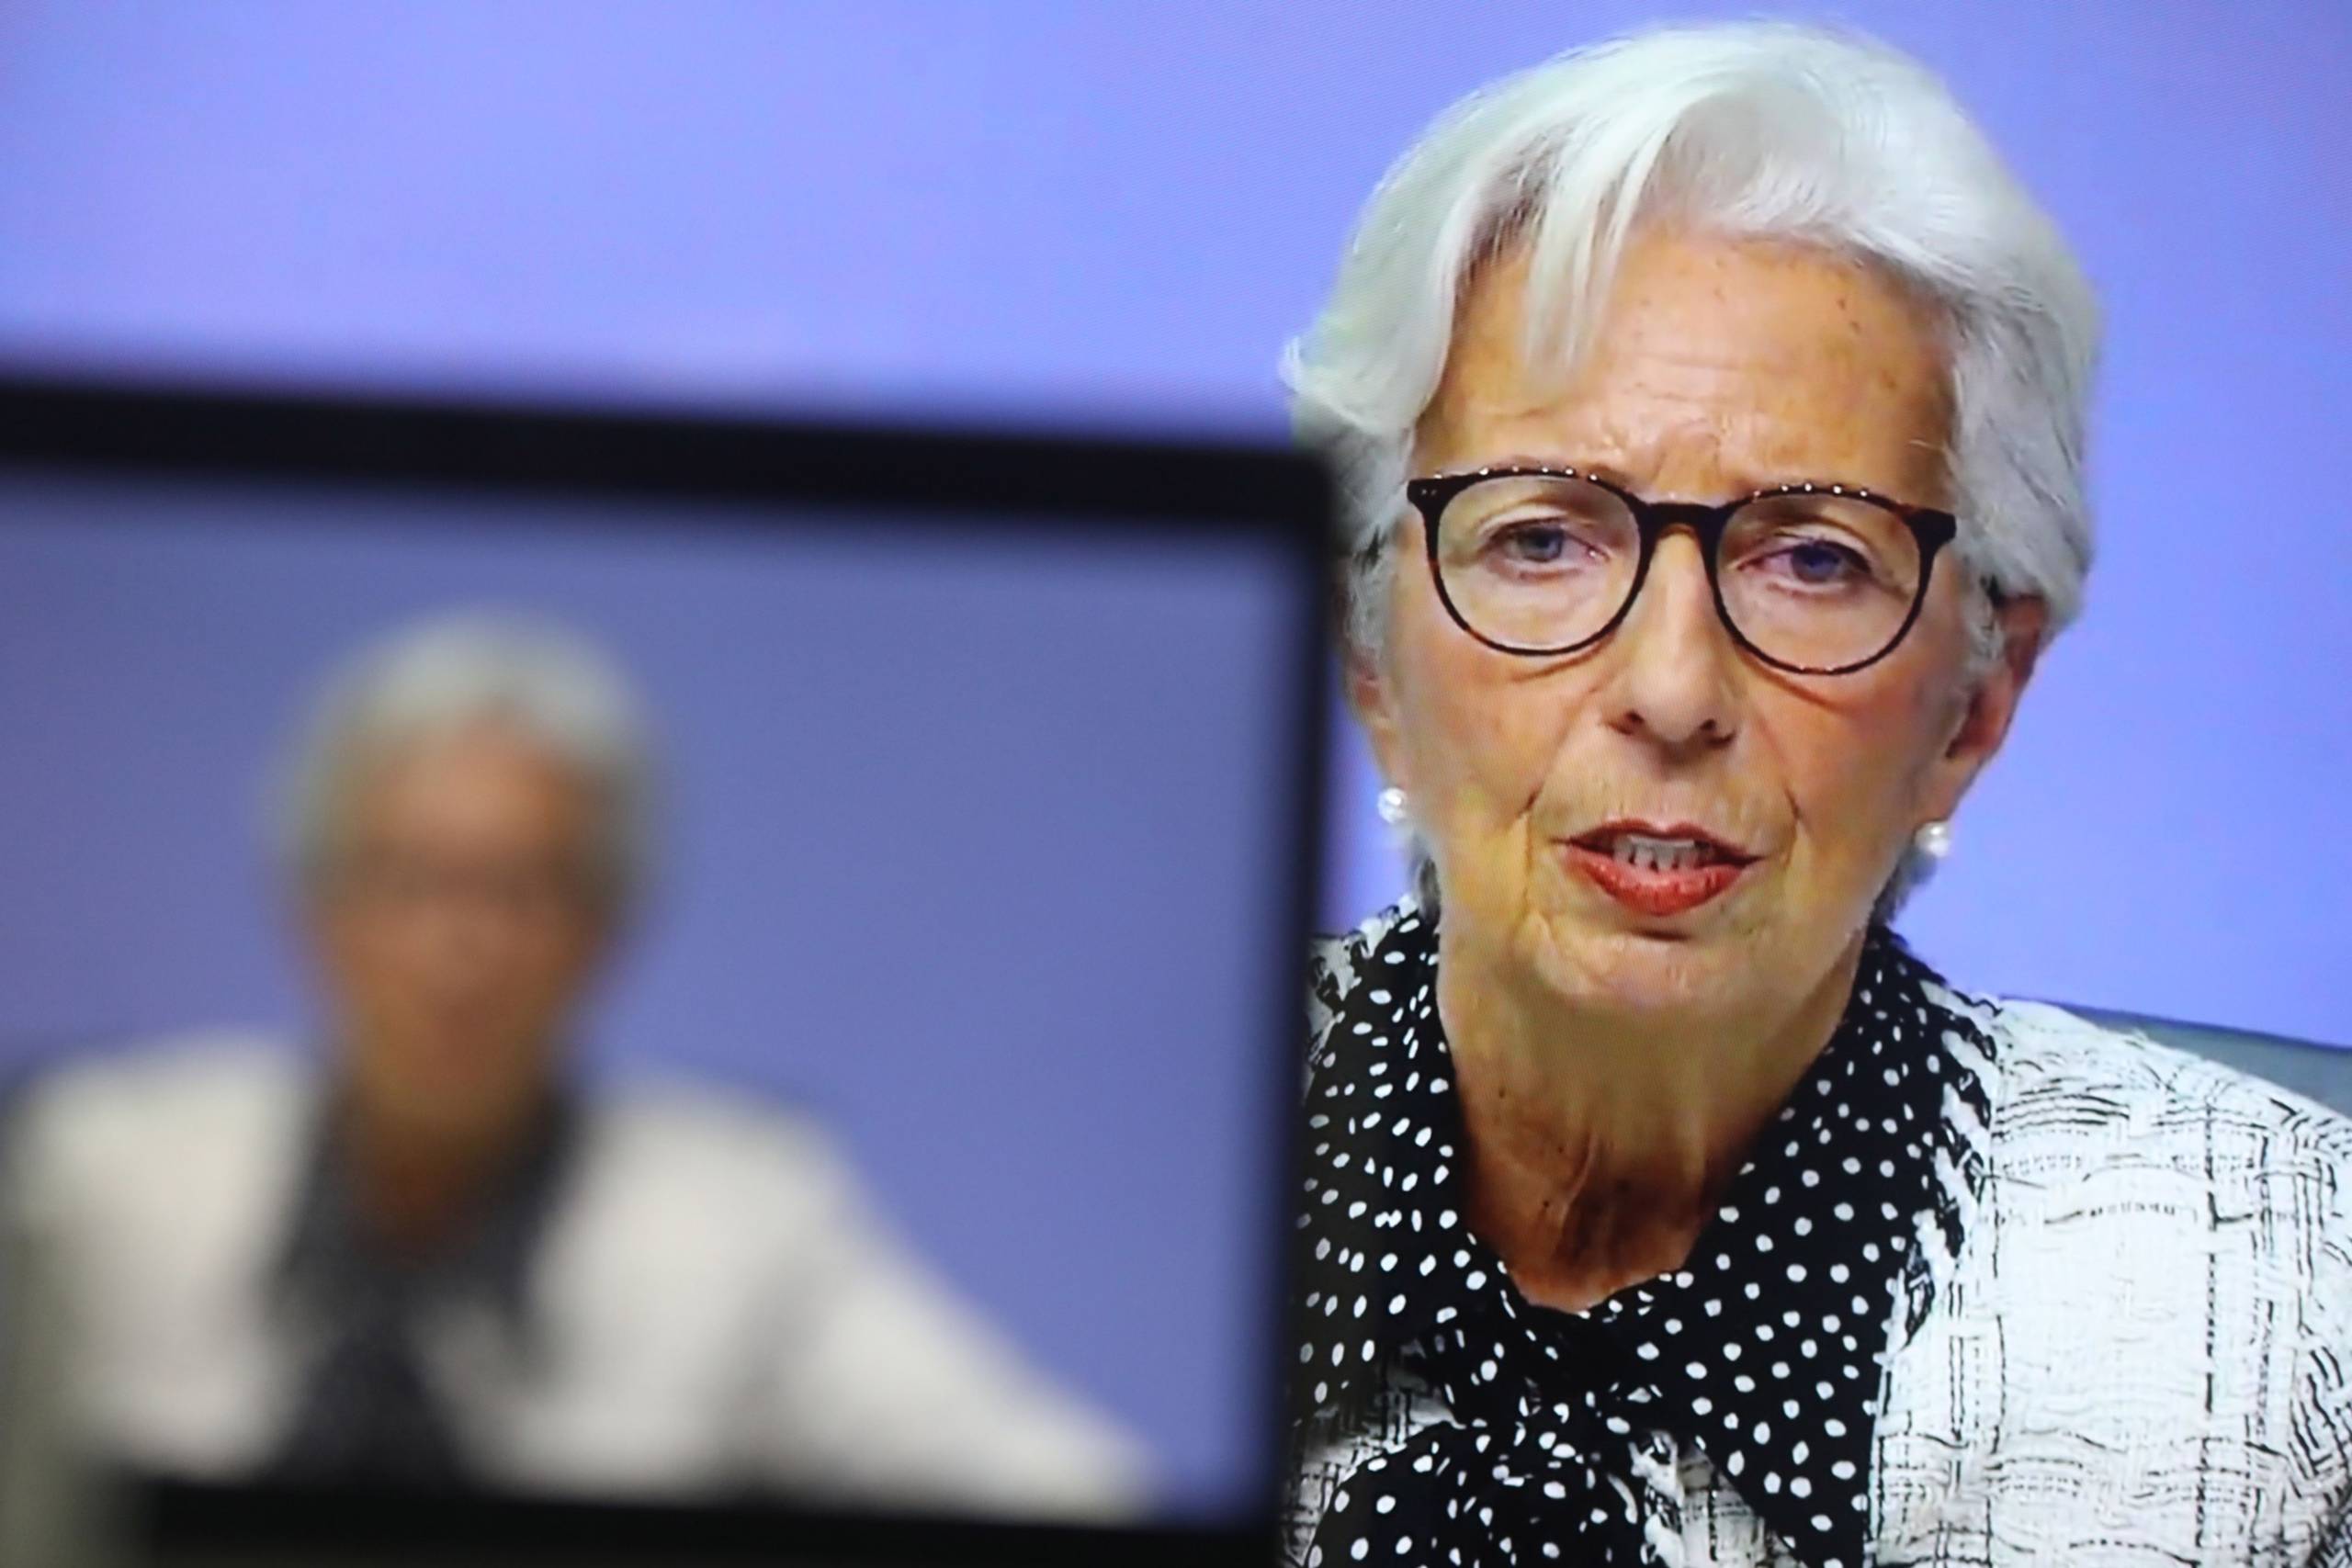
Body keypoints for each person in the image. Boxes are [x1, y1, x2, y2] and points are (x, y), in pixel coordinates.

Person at [1282, 20, 2350, 1567]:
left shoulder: (2288, 1311)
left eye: (1812, 560)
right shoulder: (1062, 1182)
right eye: (1543, 537)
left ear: (1977, 700)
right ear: (1372, 653)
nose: (1672, 688)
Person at [2, 613, 1139, 1514]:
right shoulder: (96, 1169)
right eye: (408, 880)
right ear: (314, 909)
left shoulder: (744, 1221)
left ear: (608, 930)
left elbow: (1066, 1489)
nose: (460, 952)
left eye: (521, 891)